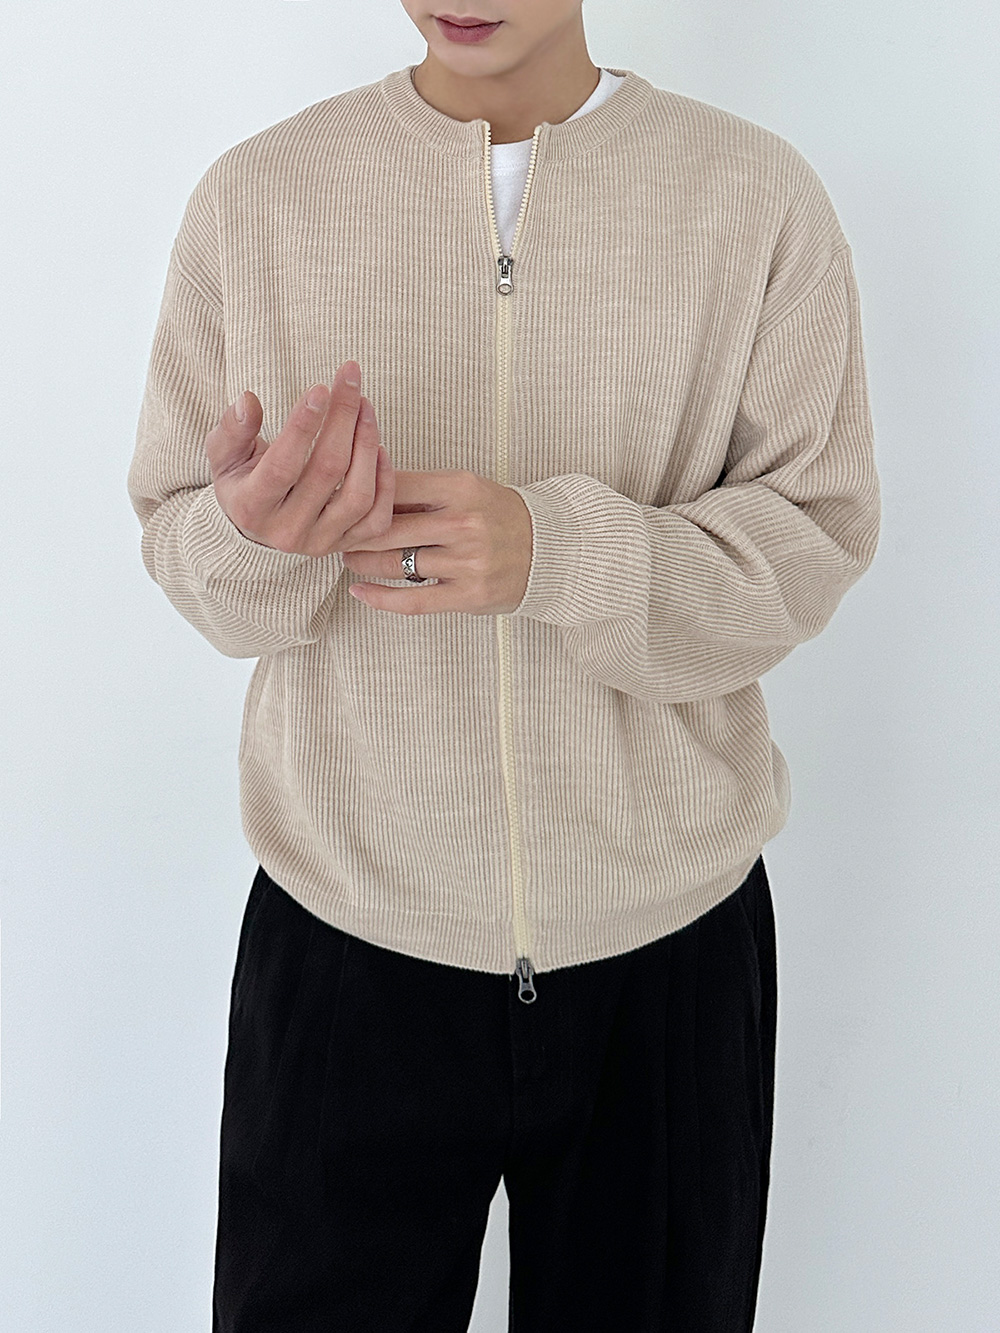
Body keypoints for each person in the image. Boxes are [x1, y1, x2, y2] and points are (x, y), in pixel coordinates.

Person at [127, 2, 881, 1329]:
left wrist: (559, 552)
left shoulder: (753, 197)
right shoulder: (260, 197)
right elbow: (185, 550)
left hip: (664, 950)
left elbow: (813, 540)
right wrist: (252, 536)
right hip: (349, 936)